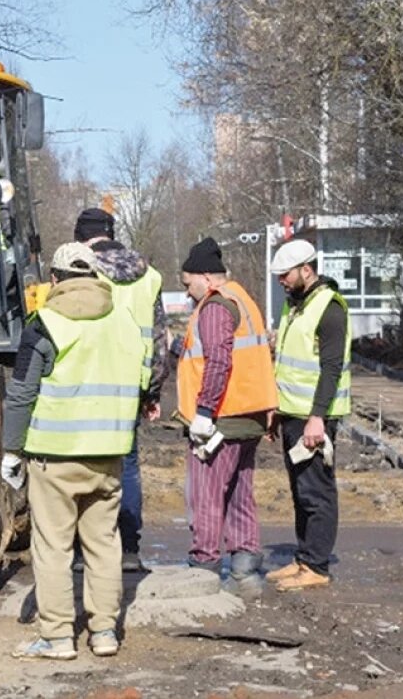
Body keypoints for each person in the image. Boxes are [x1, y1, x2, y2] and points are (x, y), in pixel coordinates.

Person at [2, 242, 148, 661]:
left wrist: (13, 451)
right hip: (109, 455)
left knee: (53, 547)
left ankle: (58, 637)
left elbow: (22, 394)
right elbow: (141, 376)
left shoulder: (45, 323)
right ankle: (104, 633)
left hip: (55, 455)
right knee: (104, 544)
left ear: (55, 279)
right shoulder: (124, 319)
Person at [175, 237, 278, 597]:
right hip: (249, 416)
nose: (188, 293)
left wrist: (203, 411)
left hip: (221, 418)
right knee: (240, 493)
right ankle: (246, 571)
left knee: (206, 494)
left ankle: (203, 569)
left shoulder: (217, 307)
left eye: (189, 284)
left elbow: (219, 360)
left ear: (206, 277)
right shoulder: (242, 299)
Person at [74, 207, 167, 573]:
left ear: (82, 237)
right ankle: (129, 549)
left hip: (87, 383)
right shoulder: (150, 276)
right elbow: (159, 339)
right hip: (131, 386)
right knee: (126, 466)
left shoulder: (82, 270)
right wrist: (153, 392)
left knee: (83, 465)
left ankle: (86, 553)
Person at [266, 238, 350, 592]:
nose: (281, 281)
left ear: (306, 270)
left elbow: (331, 368)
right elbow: (287, 362)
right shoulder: (295, 306)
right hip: (291, 412)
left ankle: (316, 565)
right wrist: (275, 407)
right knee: (301, 490)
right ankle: (304, 557)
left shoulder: (328, 309)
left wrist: (318, 417)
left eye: (285, 275)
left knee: (316, 491)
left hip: (314, 416)